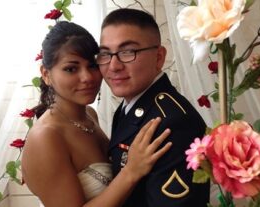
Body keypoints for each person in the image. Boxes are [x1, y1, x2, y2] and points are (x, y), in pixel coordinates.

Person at [21, 21, 172, 207]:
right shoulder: (46, 137)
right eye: (71, 69)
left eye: (93, 65)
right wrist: (131, 171)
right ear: (46, 74)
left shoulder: (89, 115)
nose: (87, 77)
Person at [97, 8, 210, 207]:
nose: (113, 66)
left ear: (159, 57)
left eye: (127, 52)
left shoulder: (172, 122)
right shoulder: (129, 106)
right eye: (105, 54)